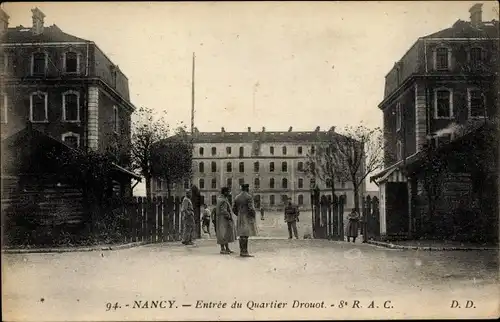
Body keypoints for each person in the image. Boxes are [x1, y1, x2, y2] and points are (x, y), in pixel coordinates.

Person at [233, 183, 258, 257]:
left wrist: (238, 214)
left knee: (241, 235)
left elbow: (234, 208)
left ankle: (242, 251)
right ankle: (245, 252)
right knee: (245, 235)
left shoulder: (237, 197)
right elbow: (251, 208)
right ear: (247, 188)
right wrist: (253, 215)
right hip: (246, 217)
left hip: (240, 217)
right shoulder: (248, 197)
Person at [215, 187, 237, 254]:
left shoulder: (221, 199)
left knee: (225, 233)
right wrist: (229, 216)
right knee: (223, 233)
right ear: (225, 192)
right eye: (228, 191)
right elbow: (224, 210)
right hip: (223, 219)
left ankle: (227, 248)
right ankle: (222, 249)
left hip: (221, 218)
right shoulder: (223, 200)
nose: (229, 193)